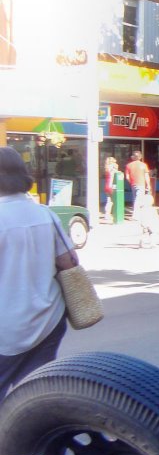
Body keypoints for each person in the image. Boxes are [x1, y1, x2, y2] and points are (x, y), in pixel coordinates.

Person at [0, 146, 78, 397]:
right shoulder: (45, 214)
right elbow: (69, 263)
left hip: (5, 330)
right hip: (48, 320)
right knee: (35, 396)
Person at [124, 151, 151, 216]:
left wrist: (131, 182)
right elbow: (146, 176)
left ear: (133, 157)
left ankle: (137, 212)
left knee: (135, 197)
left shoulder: (128, 165)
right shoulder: (144, 165)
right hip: (141, 184)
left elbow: (127, 177)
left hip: (133, 184)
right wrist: (148, 185)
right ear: (140, 157)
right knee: (139, 198)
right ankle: (136, 214)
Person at [103, 156, 118, 222]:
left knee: (109, 200)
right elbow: (117, 174)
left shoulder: (106, 168)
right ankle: (111, 214)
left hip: (106, 185)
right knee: (112, 201)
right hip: (111, 185)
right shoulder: (113, 167)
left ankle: (107, 214)